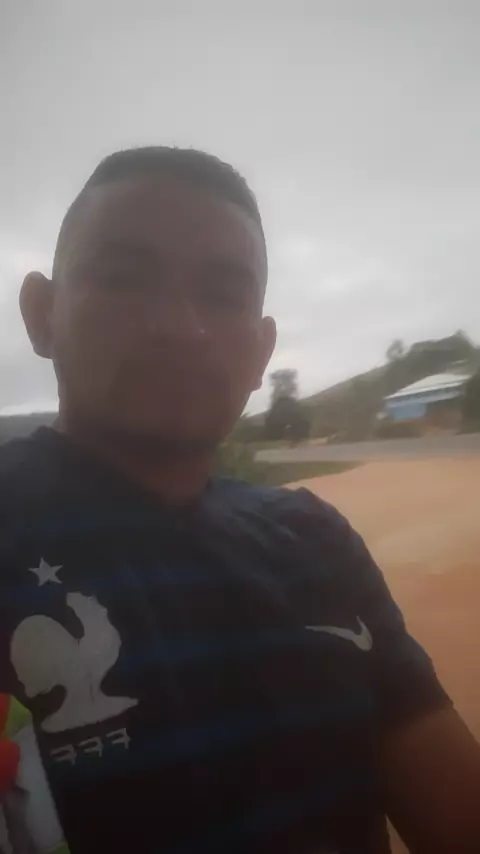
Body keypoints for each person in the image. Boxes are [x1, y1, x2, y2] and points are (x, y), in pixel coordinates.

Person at [0, 147, 479, 854]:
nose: (181, 327)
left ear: (260, 351)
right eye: (123, 277)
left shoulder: (314, 539)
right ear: (42, 314)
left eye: (224, 294)